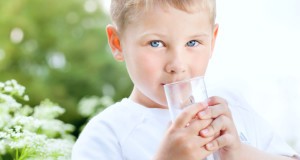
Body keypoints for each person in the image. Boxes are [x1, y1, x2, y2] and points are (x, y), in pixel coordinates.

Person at [72, 0, 299, 159]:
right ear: (117, 43)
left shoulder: (231, 108)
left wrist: (239, 153)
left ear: (213, 40)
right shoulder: (105, 135)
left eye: (192, 43)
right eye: (156, 43)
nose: (177, 65)